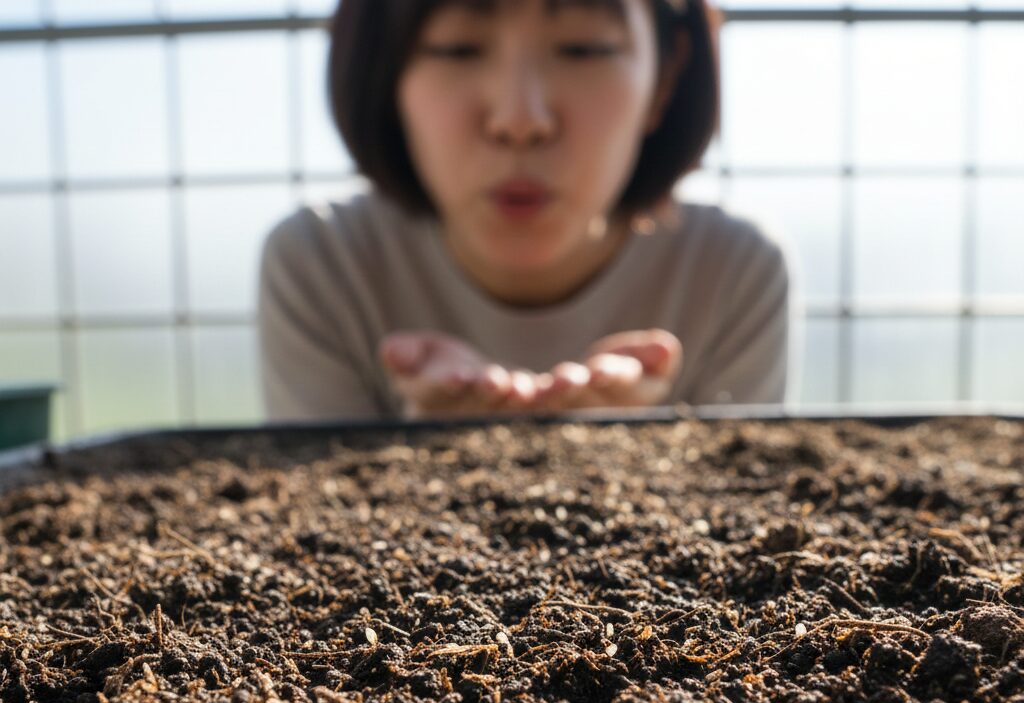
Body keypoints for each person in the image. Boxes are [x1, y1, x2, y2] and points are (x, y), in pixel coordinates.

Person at [259, 0, 795, 422]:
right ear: (386, 72)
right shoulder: (323, 264)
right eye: (457, 47)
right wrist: (420, 457)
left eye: (583, 48)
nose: (520, 119)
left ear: (666, 76)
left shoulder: (731, 273)